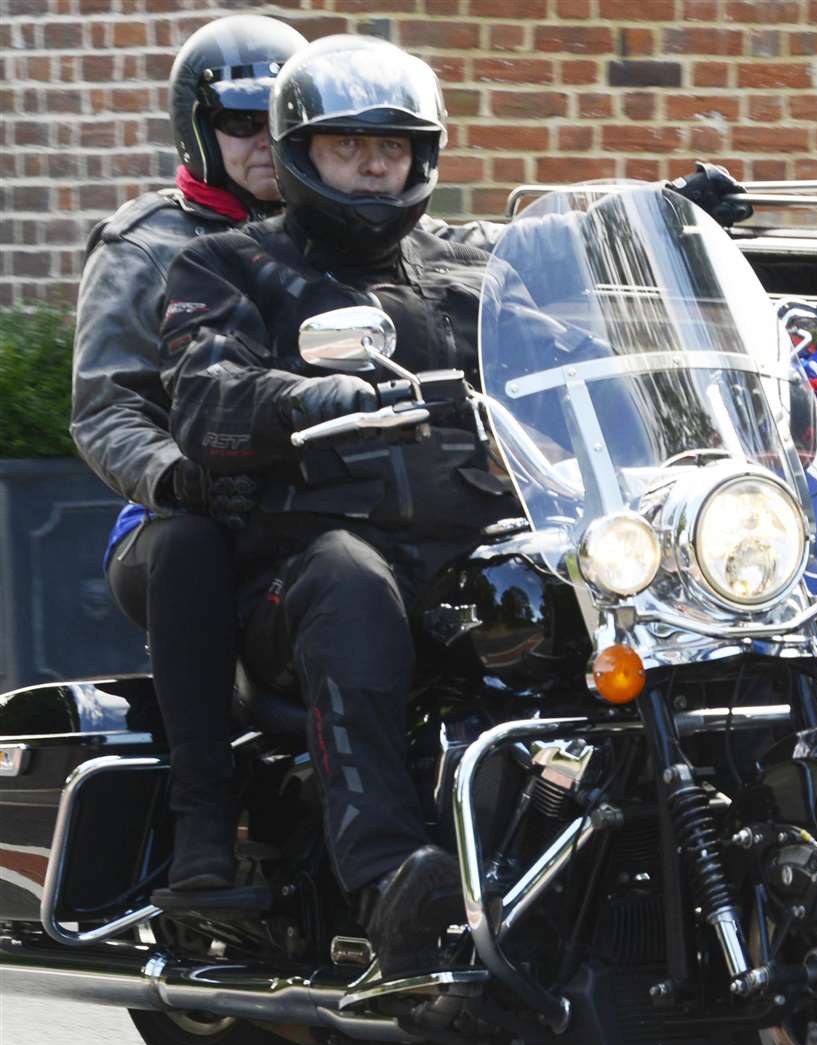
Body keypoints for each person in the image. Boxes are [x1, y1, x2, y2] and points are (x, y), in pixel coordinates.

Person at [157, 33, 543, 978]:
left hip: (473, 548)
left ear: (426, 154)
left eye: (395, 144)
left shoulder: (471, 266)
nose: (376, 162)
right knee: (348, 580)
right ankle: (390, 880)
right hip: (301, 571)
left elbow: (581, 343)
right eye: (347, 145)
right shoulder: (225, 266)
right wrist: (303, 397)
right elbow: (205, 397)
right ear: (300, 153)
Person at [71, 14, 308, 905]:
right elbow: (106, 409)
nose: (260, 144)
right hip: (187, 519)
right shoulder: (145, 246)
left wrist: (661, 213)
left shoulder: (343, 232)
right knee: (189, 544)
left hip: (327, 506)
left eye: (275, 124)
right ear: (198, 131)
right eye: (240, 125)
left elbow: (485, 264)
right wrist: (179, 473)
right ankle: (201, 818)